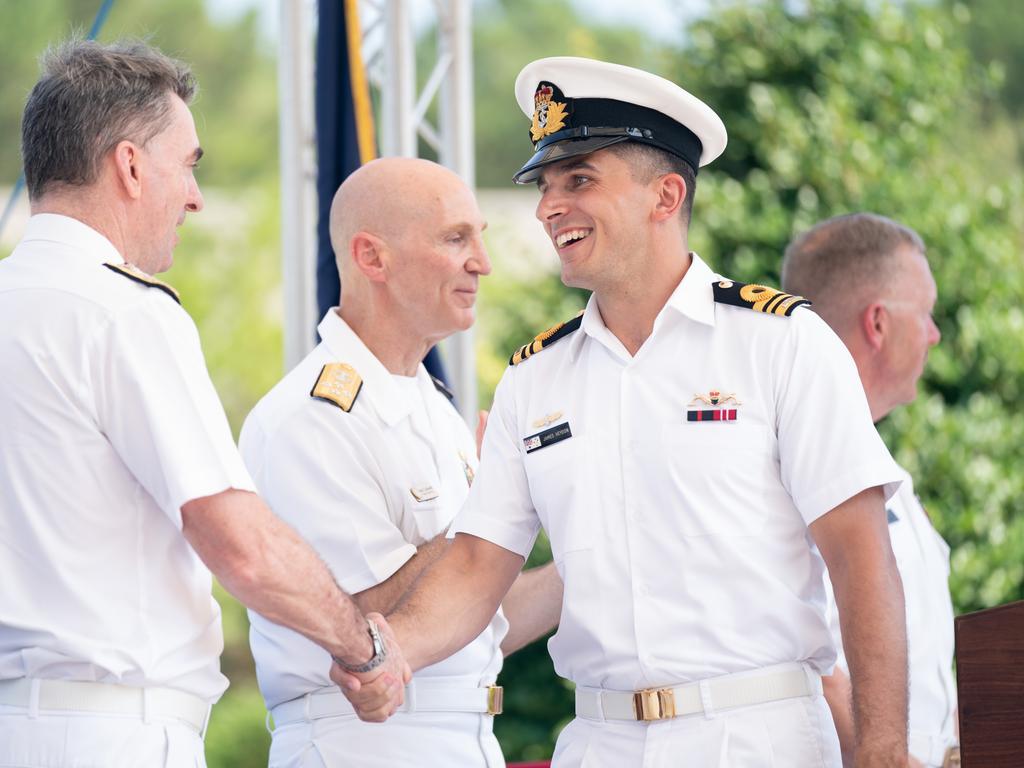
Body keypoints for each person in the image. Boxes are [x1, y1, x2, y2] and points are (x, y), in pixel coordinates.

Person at [338, 57, 911, 767]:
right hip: (598, 741)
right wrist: (391, 652)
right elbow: (480, 563)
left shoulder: (781, 342)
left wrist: (885, 751)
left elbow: (861, 556)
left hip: (757, 734)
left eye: (579, 180)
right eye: (546, 186)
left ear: (665, 196)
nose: (550, 206)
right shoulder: (533, 378)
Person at [0, 39, 408, 767]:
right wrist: (366, 647)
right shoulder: (123, 311)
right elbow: (239, 544)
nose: (195, 196)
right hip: (110, 734)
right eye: (188, 165)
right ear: (129, 165)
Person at [239, 156, 562, 767]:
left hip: (458, 737)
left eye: (479, 238)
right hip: (361, 741)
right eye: (454, 238)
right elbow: (366, 626)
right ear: (372, 258)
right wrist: (496, 499)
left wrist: (592, 550)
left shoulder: (432, 408)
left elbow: (475, 615)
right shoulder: (312, 419)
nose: (481, 263)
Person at [782, 213, 957, 768]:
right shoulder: (786, 468)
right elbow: (810, 660)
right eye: (926, 314)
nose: (934, 334)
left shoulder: (885, 474)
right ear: (878, 324)